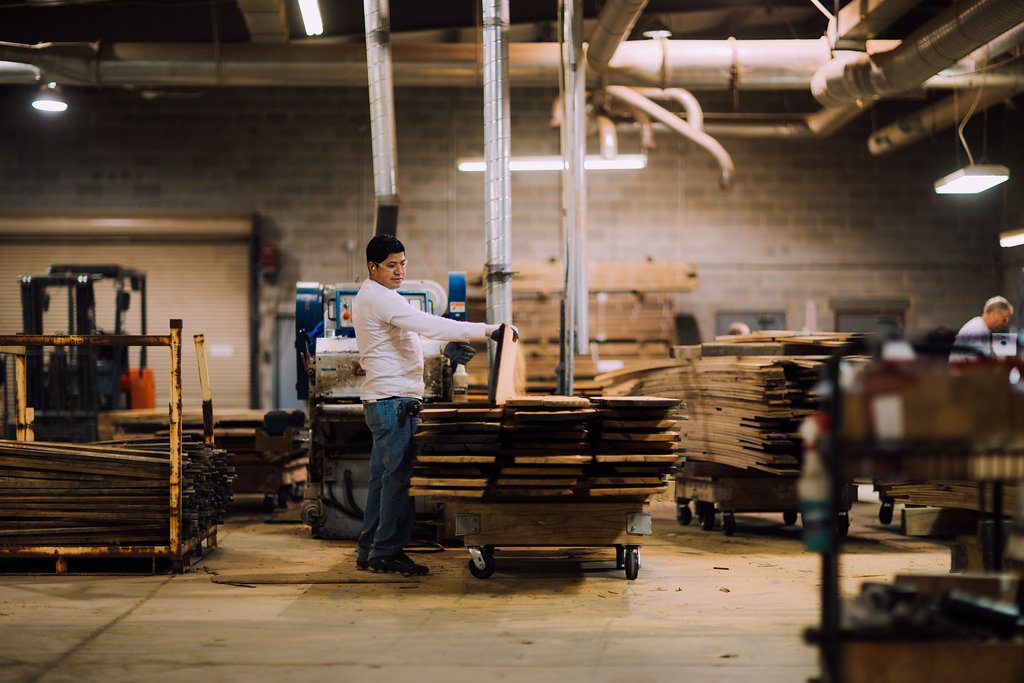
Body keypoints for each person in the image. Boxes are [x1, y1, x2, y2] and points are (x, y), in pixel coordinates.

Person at [352, 234, 514, 576]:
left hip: (386, 401)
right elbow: (428, 324)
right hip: (393, 403)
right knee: (399, 481)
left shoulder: (379, 296)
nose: (399, 271)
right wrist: (487, 330)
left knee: (383, 480)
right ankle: (386, 553)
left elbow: (407, 342)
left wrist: (442, 349)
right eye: (391, 266)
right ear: (372, 267)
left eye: (403, 264)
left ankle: (370, 550)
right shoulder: (380, 297)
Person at [950, 296, 1013, 361]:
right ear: (995, 314)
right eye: (1005, 319)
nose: (1005, 324)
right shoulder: (977, 329)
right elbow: (976, 362)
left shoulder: (981, 326)